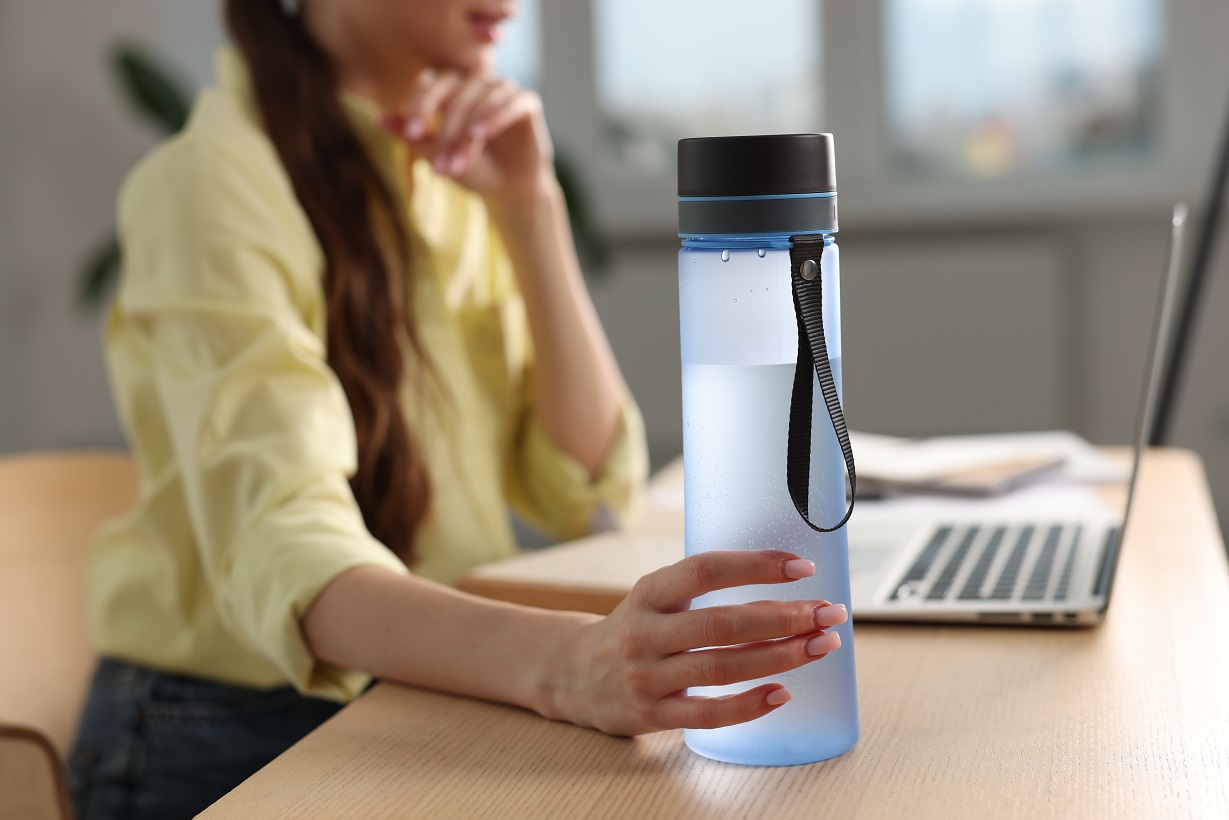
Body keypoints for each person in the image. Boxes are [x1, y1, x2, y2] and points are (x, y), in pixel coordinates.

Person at [67, 1, 849, 817]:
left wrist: (530, 208)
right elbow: (288, 549)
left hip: (427, 680)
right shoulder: (211, 184)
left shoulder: (453, 171)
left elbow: (583, 487)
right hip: (229, 729)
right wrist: (570, 664)